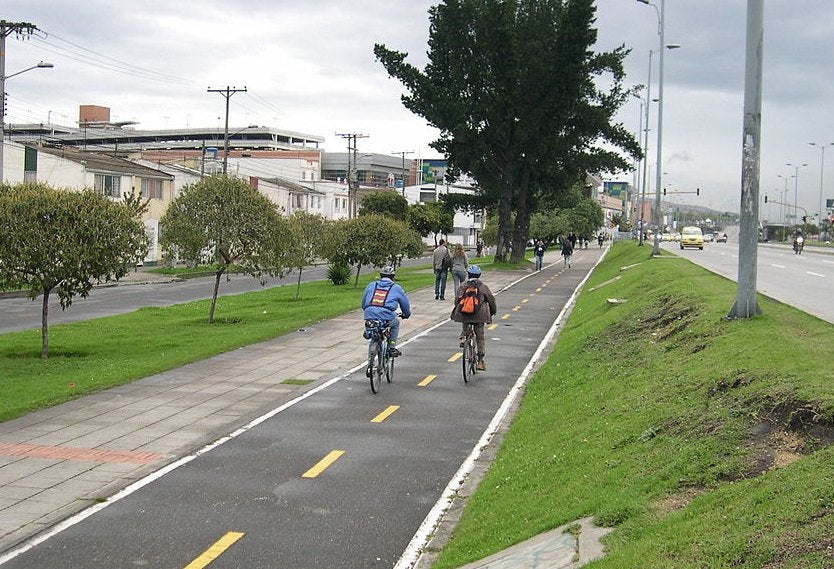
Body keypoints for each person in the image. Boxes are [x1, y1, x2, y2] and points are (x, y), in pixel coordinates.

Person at [362, 266, 411, 372]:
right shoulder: (396, 288)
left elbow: (364, 302)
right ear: (393, 277)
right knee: (395, 323)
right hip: (386, 316)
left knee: (373, 337)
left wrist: (368, 312)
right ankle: (392, 347)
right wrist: (406, 314)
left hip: (370, 315)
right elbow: (405, 305)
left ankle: (370, 364)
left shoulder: (371, 285)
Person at [451, 265, 497, 371]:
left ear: (468, 274)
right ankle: (480, 361)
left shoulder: (463, 286)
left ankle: (463, 337)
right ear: (479, 275)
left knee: (466, 322)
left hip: (464, 314)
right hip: (480, 316)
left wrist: (457, 310)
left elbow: (457, 300)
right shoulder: (483, 287)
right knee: (480, 337)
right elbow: (491, 300)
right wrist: (492, 312)